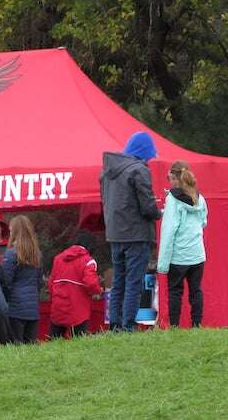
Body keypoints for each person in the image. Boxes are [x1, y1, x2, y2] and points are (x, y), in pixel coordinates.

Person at [100, 131, 161, 332]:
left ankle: (115, 324)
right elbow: (147, 206)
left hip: (115, 234)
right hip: (136, 234)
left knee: (119, 281)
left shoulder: (108, 172)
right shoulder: (139, 170)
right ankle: (128, 325)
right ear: (144, 152)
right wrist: (158, 211)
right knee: (134, 282)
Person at [157, 161, 208, 327]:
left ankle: (174, 326)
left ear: (175, 179)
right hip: (197, 254)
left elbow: (168, 231)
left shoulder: (173, 200)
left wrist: (163, 264)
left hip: (179, 256)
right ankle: (197, 324)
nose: (169, 182)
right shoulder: (199, 198)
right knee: (196, 290)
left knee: (175, 292)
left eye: (170, 178)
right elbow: (203, 222)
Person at [48, 231, 103, 338]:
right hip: (79, 309)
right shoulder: (88, 261)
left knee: (54, 340)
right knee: (79, 341)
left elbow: (51, 283)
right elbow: (91, 283)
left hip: (58, 306)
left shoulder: (58, 258)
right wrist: (98, 291)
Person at [2, 215, 43, 344]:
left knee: (16, 344)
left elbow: (6, 282)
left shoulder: (11, 253)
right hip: (32, 306)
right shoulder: (38, 254)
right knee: (30, 344)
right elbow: (39, 282)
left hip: (15, 306)